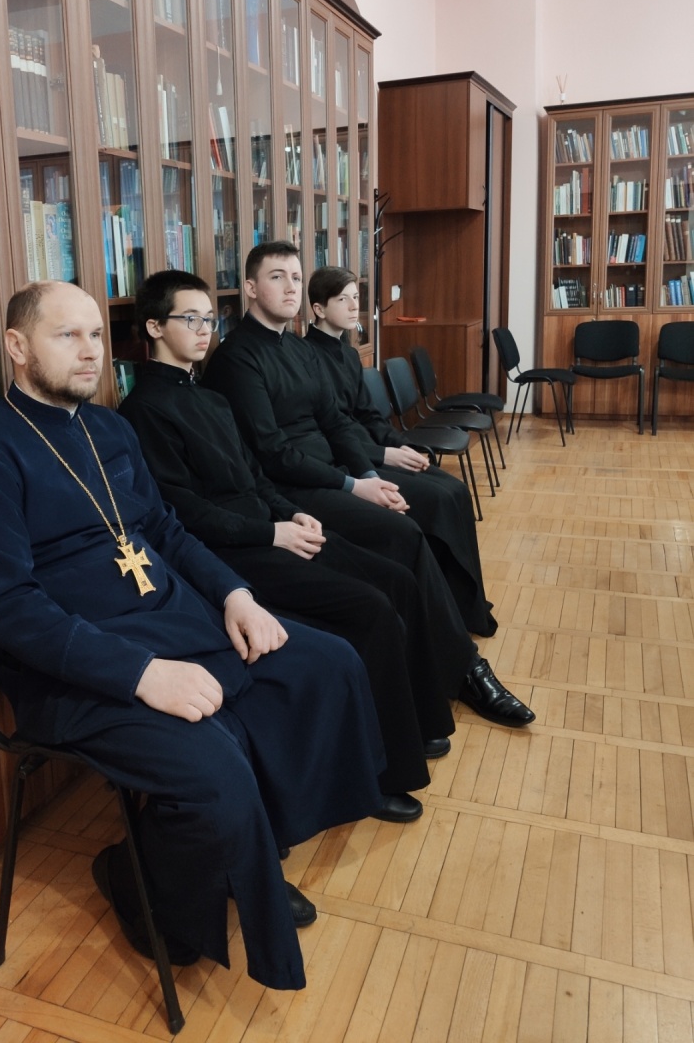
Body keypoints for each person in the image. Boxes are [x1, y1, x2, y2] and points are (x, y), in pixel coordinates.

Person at [0, 279, 387, 993]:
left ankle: (252, 849)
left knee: (326, 664)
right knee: (215, 771)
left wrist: (235, 596)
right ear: (16, 346)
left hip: (173, 619)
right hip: (77, 669)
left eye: (95, 335)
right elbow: (8, 609)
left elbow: (164, 531)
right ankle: (141, 887)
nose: (90, 352)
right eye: (67, 335)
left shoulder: (109, 428)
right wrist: (142, 674)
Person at [119, 269, 463, 823]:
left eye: (209, 319)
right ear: (155, 327)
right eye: (190, 319)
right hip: (231, 552)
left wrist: (290, 513)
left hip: (269, 527)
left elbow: (255, 475)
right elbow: (183, 512)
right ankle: (377, 774)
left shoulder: (209, 396)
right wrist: (272, 532)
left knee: (397, 578)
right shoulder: (142, 411)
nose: (205, 330)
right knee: (370, 608)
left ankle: (418, 724)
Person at [201, 241, 534, 729]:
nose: (291, 287)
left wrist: (371, 476)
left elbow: (337, 421)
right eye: (277, 277)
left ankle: (449, 651)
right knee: (404, 535)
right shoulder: (235, 358)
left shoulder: (299, 348)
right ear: (250, 288)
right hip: (290, 490)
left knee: (418, 509)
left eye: (296, 277)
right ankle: (464, 670)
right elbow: (272, 453)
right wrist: (353, 486)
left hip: (332, 469)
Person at [306, 264, 496, 637]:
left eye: (356, 298)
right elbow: (331, 429)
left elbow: (367, 415)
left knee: (455, 490)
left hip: (371, 447)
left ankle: (467, 603)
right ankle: (449, 612)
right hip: (348, 458)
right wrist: (383, 456)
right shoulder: (307, 356)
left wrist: (399, 443)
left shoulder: (348, 353)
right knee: (437, 501)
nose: (353, 307)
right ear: (318, 308)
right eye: (342, 299)